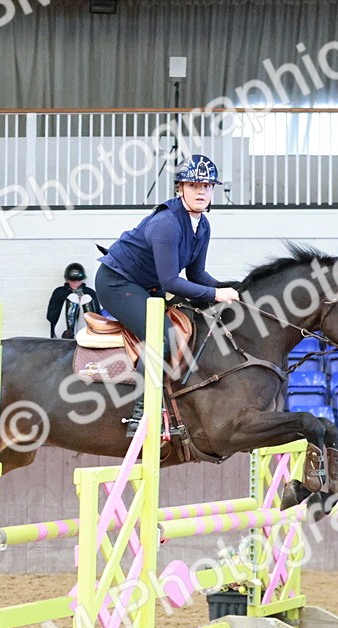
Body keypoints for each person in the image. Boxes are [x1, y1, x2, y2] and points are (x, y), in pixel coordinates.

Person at [95, 154, 241, 435]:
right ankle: (141, 414)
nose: (202, 192)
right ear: (180, 188)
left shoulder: (203, 225)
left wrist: (229, 290)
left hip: (149, 286)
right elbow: (171, 281)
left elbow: (196, 276)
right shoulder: (167, 223)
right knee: (162, 335)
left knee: (194, 316)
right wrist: (216, 293)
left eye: (207, 186)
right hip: (117, 283)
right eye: (194, 186)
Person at [46, 262, 101, 338]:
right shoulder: (59, 292)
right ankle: (70, 333)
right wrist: (68, 303)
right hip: (63, 329)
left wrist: (82, 304)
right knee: (73, 297)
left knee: (86, 298)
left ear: (83, 280)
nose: (75, 283)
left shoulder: (90, 292)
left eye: (78, 280)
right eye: (72, 280)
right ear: (67, 280)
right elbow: (50, 317)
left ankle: (92, 333)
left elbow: (98, 316)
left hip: (84, 329)